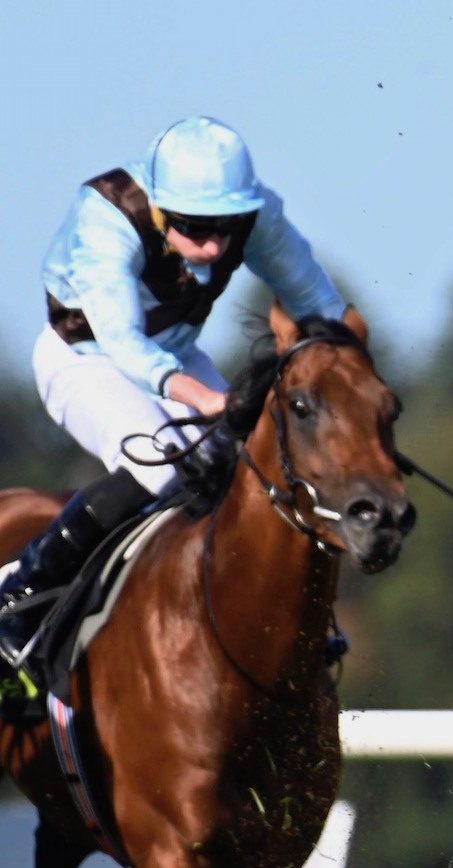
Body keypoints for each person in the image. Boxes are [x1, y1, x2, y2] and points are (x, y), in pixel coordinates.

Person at [0, 116, 349, 690]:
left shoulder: (257, 214)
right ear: (161, 210)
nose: (213, 247)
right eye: (194, 228)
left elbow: (319, 302)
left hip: (176, 353)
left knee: (253, 473)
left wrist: (349, 376)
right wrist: (210, 398)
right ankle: (21, 595)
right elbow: (124, 344)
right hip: (84, 356)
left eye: (227, 228)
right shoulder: (107, 216)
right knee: (159, 464)